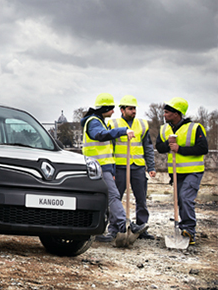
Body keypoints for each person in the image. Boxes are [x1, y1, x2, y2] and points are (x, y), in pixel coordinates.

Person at [80, 93, 148, 243]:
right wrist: (123, 131)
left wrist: (111, 169)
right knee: (113, 196)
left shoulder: (98, 121)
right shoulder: (94, 122)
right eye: (111, 108)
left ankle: (102, 230)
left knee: (105, 198)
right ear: (105, 108)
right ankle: (123, 225)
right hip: (97, 166)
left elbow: (107, 148)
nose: (113, 112)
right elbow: (100, 135)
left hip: (102, 167)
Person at [155, 97, 207, 245]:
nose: (164, 115)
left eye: (167, 112)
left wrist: (180, 149)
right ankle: (183, 229)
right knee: (180, 201)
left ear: (177, 113)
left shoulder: (195, 128)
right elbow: (160, 148)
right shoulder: (164, 129)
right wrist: (168, 144)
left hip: (193, 171)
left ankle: (189, 231)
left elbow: (203, 148)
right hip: (177, 173)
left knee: (185, 198)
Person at [107, 95, 157, 240]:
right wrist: (111, 168)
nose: (133, 111)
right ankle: (114, 229)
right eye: (130, 108)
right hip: (120, 167)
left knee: (141, 199)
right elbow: (110, 147)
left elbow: (148, 147)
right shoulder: (114, 124)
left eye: (134, 108)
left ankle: (142, 227)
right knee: (116, 199)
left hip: (138, 167)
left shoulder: (142, 124)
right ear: (122, 110)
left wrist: (151, 166)